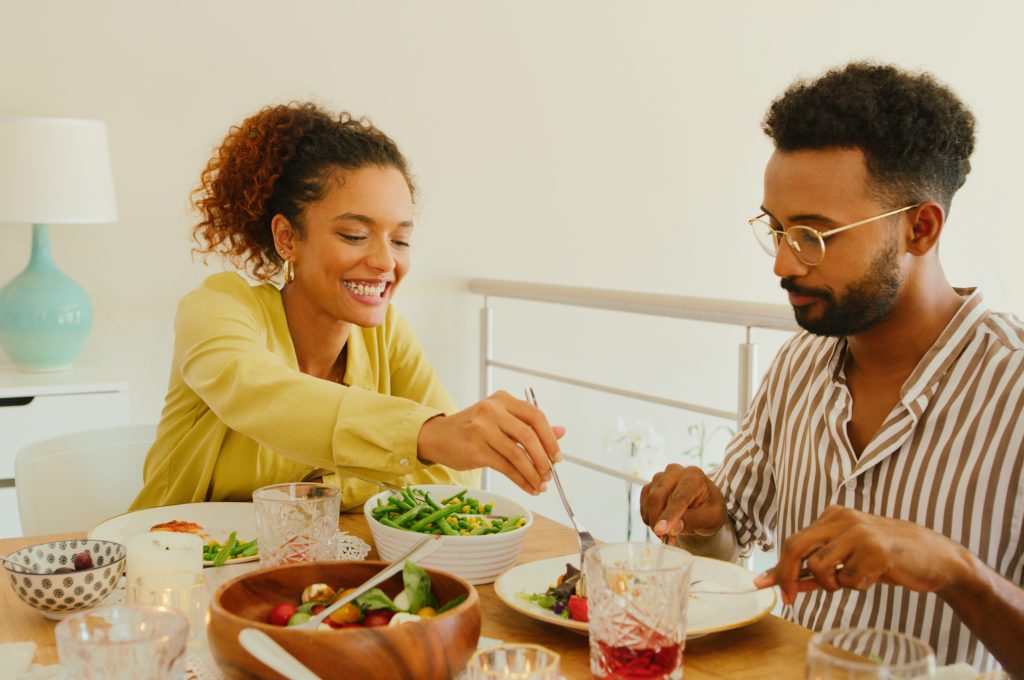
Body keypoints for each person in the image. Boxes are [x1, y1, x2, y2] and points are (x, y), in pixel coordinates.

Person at [640, 62, 1024, 674]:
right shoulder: (799, 363)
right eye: (777, 229)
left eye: (816, 236)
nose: (783, 265)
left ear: (919, 229)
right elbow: (727, 542)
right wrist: (704, 518)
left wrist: (957, 571)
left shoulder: (1014, 390)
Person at [132, 102, 562, 512]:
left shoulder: (385, 333)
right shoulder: (218, 308)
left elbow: (453, 479)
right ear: (287, 238)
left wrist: (334, 485)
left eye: (400, 240)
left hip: (314, 571)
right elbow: (260, 395)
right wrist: (421, 438)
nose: (384, 261)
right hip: (176, 564)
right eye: (355, 235)